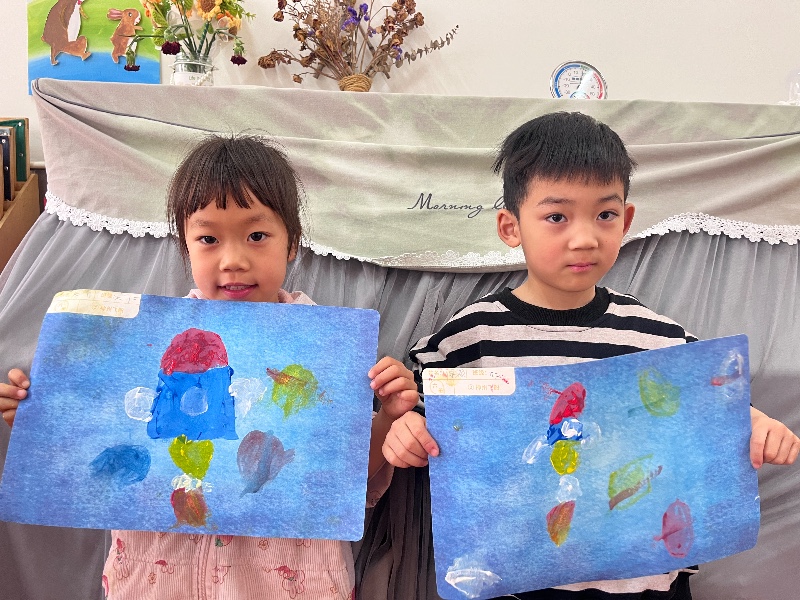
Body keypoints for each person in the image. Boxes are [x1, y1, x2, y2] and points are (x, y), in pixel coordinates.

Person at [381, 112, 800, 599]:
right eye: (557, 217)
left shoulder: (657, 337)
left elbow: (713, 405)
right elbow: (415, 406)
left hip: (642, 582)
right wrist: (404, 426)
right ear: (510, 227)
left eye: (604, 215)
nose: (585, 238)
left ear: (626, 220)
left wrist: (754, 423)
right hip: (517, 581)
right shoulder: (473, 335)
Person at [0, 133, 418, 600]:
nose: (233, 260)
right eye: (208, 239)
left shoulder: (325, 351)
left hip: (288, 581)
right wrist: (40, 424)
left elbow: (341, 476)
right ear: (185, 246)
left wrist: (390, 416)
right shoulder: (144, 345)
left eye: (257, 236)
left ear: (292, 243)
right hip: (159, 577)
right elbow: (100, 457)